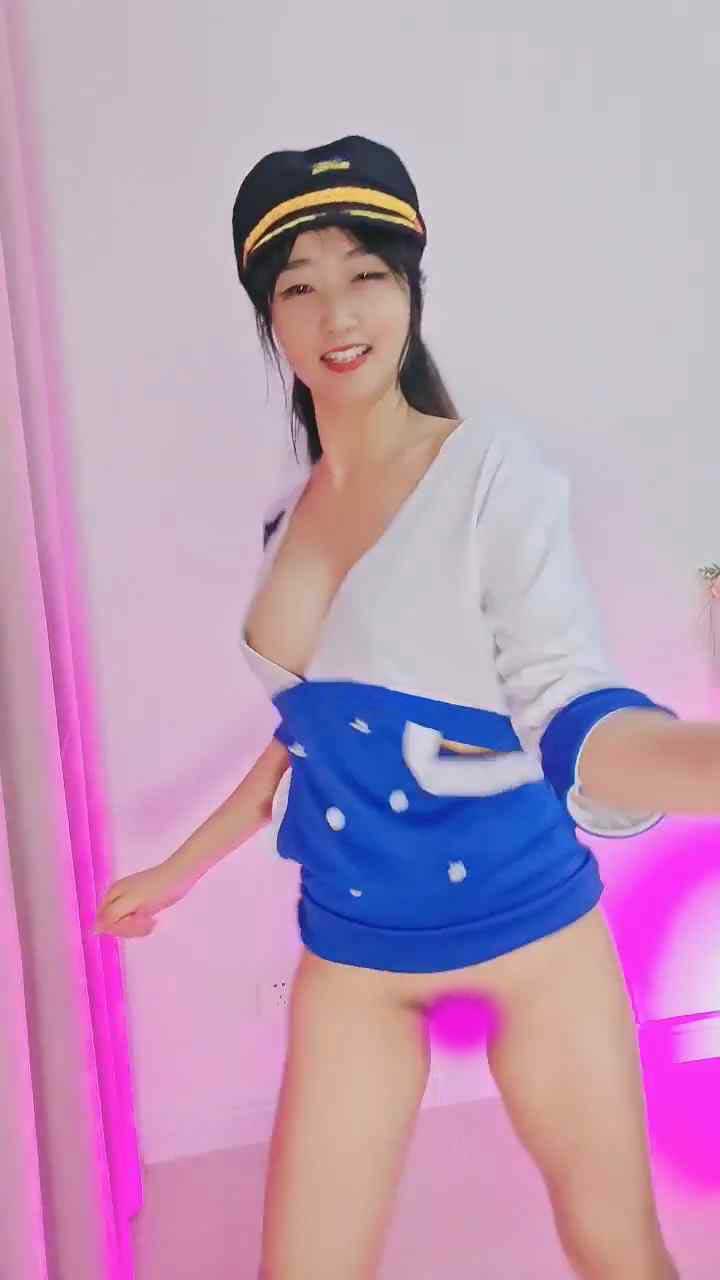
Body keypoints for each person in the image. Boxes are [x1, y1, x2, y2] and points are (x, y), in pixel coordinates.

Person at [94, 135, 720, 1279]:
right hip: (353, 953)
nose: (338, 311)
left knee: (619, 1249)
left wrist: (698, 764)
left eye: (366, 273)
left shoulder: (491, 473)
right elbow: (305, 734)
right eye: (299, 285)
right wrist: (178, 869)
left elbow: (568, 701)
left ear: (410, 290)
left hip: (533, 936)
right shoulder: (289, 515)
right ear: (269, 318)